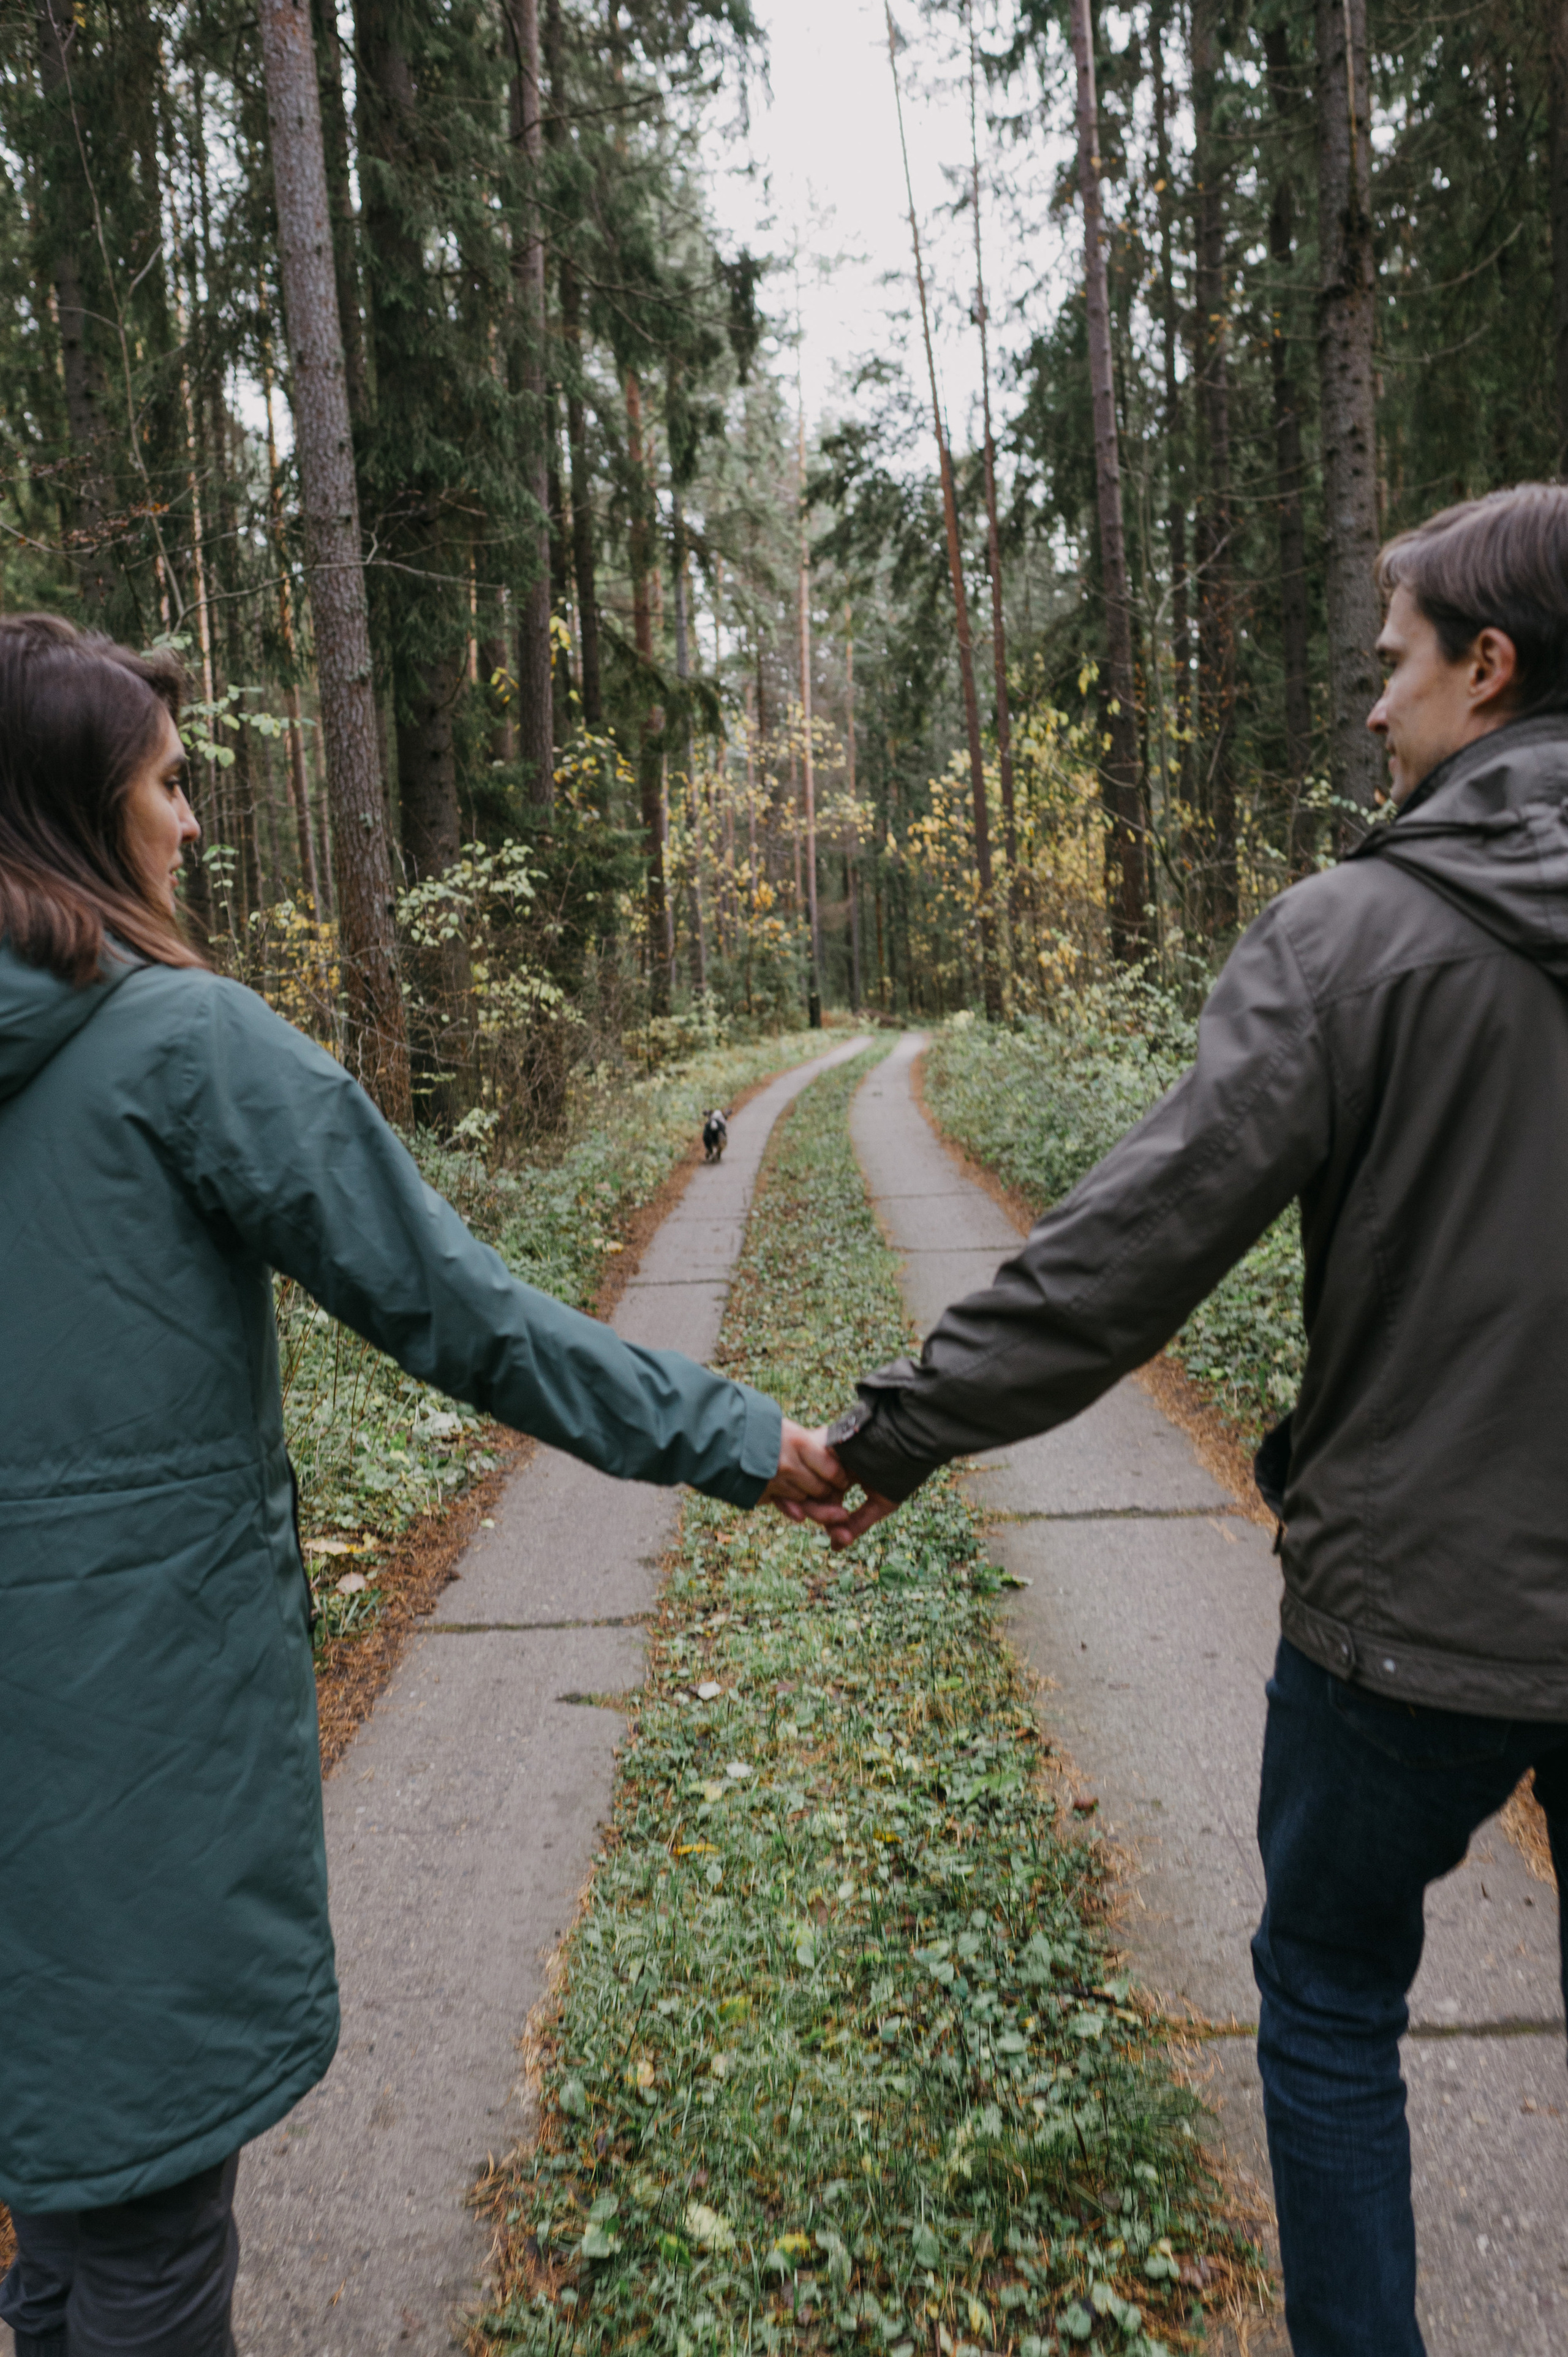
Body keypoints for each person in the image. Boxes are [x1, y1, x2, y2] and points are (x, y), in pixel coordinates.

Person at [0, 614, 848, 2357]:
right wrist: (740, 1436)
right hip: (124, 1760)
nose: (194, 825)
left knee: (63, 2237)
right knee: (144, 2245)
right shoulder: (184, 1050)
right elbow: (465, 1313)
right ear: (81, 816)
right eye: (166, 788)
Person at [824, 483, 1568, 2357]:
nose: (1370, 707)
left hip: (1414, 1617)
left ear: (1490, 669)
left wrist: (900, 1431)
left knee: (1327, 1999)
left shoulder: (1356, 938)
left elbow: (1125, 1252)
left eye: (1393, 665)